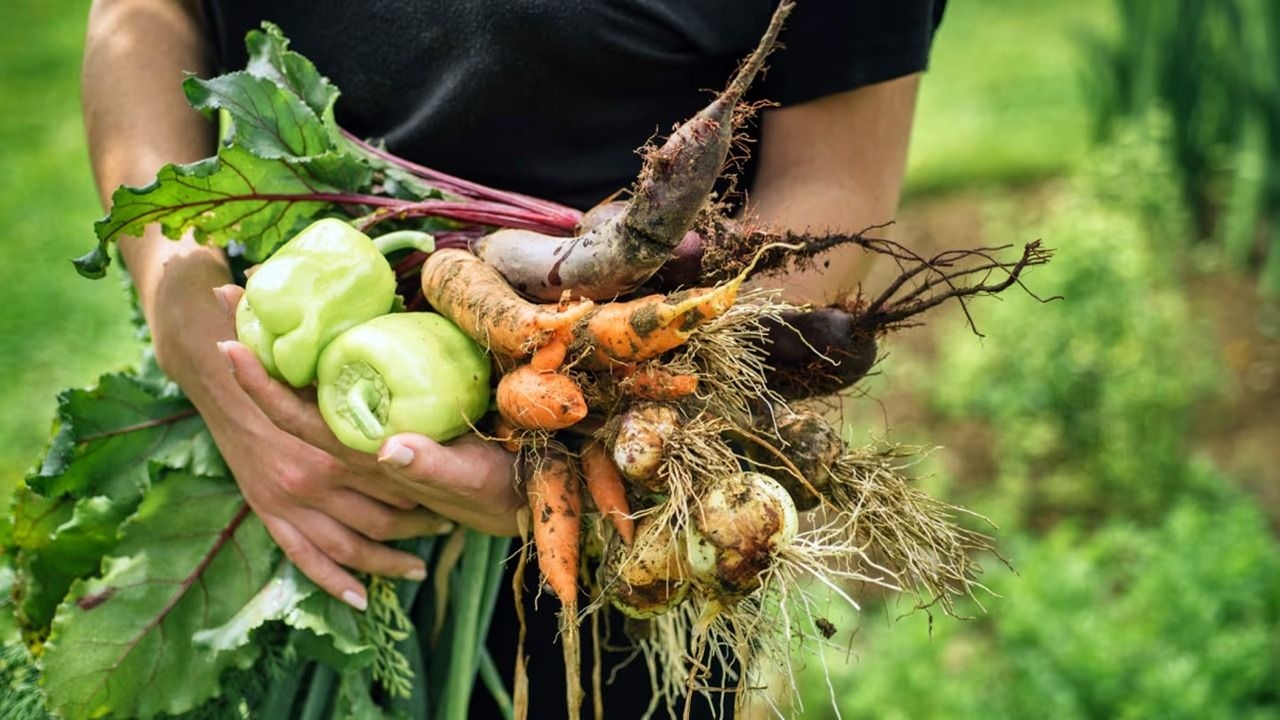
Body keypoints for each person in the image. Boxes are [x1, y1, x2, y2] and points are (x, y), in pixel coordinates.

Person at [81, 0, 945, 714]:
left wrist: (605, 426)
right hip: (267, 432)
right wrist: (179, 296)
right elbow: (143, 15)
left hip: (629, 510)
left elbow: (833, 183)